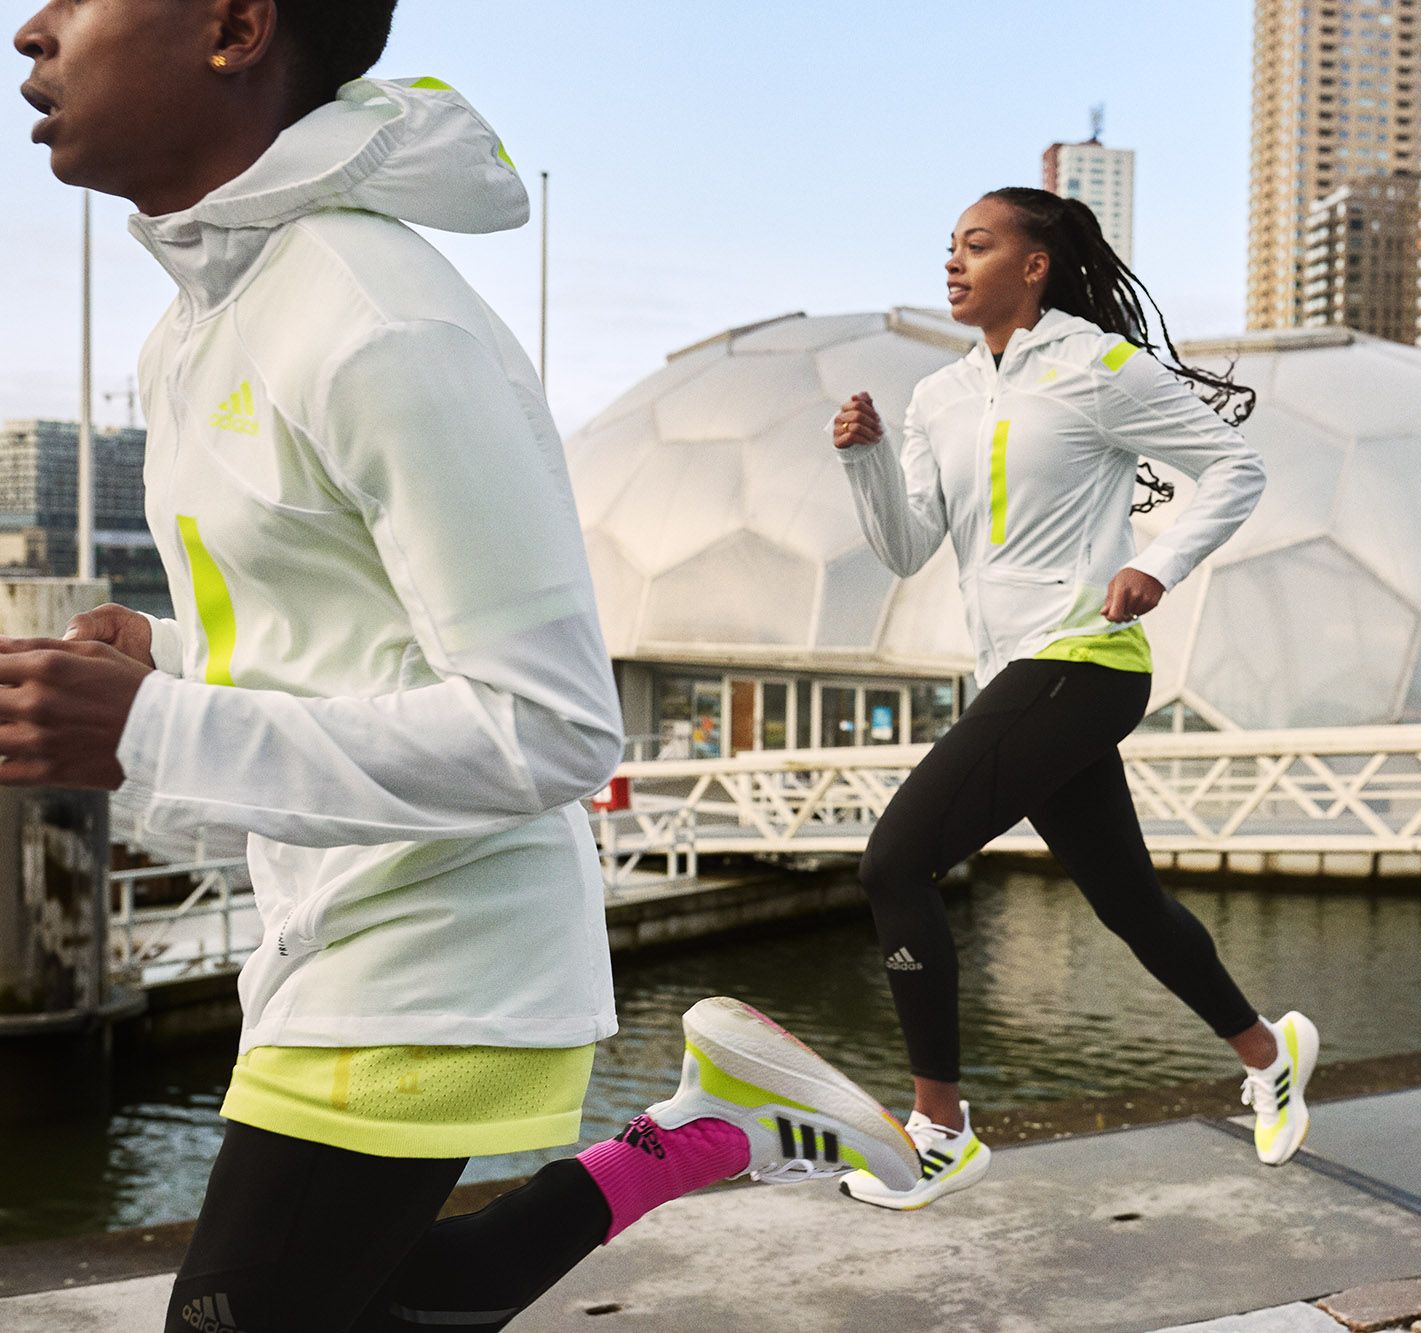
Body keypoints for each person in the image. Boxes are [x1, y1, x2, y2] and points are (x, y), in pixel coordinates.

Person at [7, 2, 916, 1328]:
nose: (34, 29)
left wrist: (152, 731)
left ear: (238, 26)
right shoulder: (199, 333)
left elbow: (551, 727)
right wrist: (171, 662)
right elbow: (337, 651)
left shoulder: (382, 321)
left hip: (436, 948)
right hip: (326, 930)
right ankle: (713, 1133)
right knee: (373, 1300)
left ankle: (712, 1133)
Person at [829, 187, 1318, 1210]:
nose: (954, 262)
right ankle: (1267, 1054)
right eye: (948, 246)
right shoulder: (937, 398)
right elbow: (907, 545)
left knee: (893, 860)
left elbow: (1232, 468)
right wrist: (864, 460)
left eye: (977, 244)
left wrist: (1160, 566)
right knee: (1126, 901)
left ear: (1035, 264)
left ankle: (940, 1129)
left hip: (1086, 659)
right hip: (1013, 671)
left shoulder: (1096, 367)